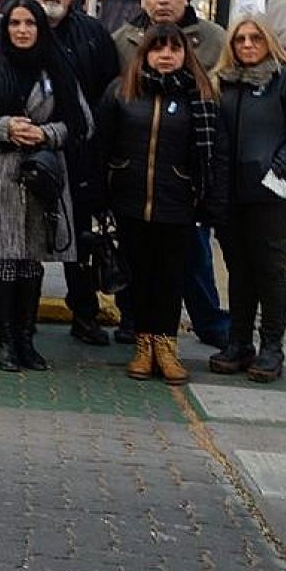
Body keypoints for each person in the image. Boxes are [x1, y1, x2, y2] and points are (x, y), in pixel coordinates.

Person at [0, 0, 87, 373]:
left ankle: (27, 340)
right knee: (2, 258)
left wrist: (44, 133)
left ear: (40, 28)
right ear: (5, 27)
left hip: (42, 174)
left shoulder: (58, 65)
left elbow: (80, 122)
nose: (23, 30)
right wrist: (4, 128)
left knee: (31, 260)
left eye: (30, 23)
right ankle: (5, 341)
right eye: (15, 23)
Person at [98, 23, 226, 384]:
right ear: (145, 54)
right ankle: (143, 345)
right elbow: (102, 144)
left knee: (170, 278)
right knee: (138, 277)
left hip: (178, 203)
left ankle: (166, 347)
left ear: (185, 54)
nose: (166, 56)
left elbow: (214, 153)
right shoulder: (122, 91)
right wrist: (99, 192)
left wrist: (210, 202)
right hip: (129, 200)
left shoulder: (199, 96)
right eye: (158, 49)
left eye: (174, 49)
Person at [213, 14, 286, 383]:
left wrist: (279, 166)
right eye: (240, 39)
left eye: (255, 38)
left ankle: (271, 346)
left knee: (270, 268)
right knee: (239, 270)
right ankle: (238, 341)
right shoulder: (222, 83)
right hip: (230, 192)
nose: (247, 45)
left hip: (273, 192)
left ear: (268, 41)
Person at [28, 0, 124, 347]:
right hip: (28, 152)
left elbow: (108, 93)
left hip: (81, 154)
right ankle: (21, 316)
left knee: (80, 238)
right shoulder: (15, 27)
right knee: (26, 238)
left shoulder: (92, 34)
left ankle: (84, 312)